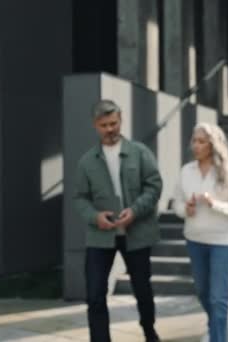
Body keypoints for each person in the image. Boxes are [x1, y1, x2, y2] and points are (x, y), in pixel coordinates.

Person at [74, 99, 163, 342]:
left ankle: (149, 331)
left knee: (142, 290)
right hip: (100, 236)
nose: (110, 129)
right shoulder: (86, 162)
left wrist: (135, 210)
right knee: (94, 294)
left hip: (137, 233)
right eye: (104, 125)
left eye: (113, 123)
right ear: (95, 125)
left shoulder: (140, 152)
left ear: (121, 120)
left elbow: (154, 186)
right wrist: (95, 216)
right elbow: (80, 198)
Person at [172, 123, 228, 342]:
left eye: (201, 141)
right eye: (194, 141)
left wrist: (215, 204)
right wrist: (184, 209)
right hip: (195, 239)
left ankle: (218, 337)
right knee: (203, 293)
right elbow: (176, 202)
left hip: (223, 242)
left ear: (213, 145)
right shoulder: (186, 171)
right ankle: (214, 326)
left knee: (218, 298)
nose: (195, 145)